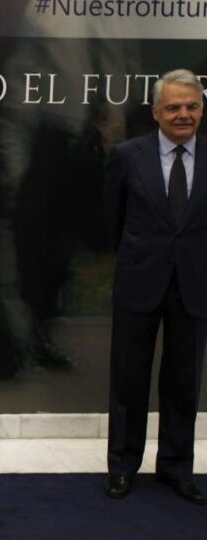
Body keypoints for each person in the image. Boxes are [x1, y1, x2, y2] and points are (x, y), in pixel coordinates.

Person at [103, 69, 207, 505]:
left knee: (184, 381)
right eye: (174, 107)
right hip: (138, 282)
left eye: (192, 106)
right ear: (155, 112)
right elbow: (111, 219)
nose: (184, 115)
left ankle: (177, 467)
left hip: (195, 284)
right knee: (129, 379)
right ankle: (123, 468)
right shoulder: (127, 155)